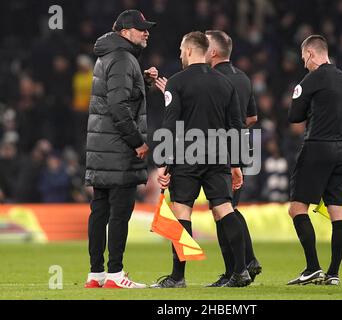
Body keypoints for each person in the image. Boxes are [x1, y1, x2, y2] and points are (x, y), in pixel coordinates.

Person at [151, 31, 251, 288]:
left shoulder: (177, 82)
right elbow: (236, 126)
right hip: (219, 156)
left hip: (187, 156)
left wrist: (165, 163)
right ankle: (241, 271)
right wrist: (236, 163)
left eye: (181, 50)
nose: (179, 54)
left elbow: (170, 126)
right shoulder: (225, 83)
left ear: (188, 51)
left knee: (182, 210)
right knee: (224, 209)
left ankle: (178, 277)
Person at [84, 9, 158, 289]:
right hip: (119, 149)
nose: (146, 32)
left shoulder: (108, 56)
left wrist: (144, 82)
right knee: (119, 213)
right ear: (125, 32)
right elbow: (118, 106)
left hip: (101, 147)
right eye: (141, 29)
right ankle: (115, 274)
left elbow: (118, 98)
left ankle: (96, 274)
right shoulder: (123, 59)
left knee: (99, 210)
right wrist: (137, 141)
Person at [287, 35, 342, 285]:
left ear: (309, 53)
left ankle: (312, 267)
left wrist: (309, 106)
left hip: (317, 146)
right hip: (341, 150)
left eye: (303, 58)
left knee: (296, 209)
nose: (303, 62)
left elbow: (294, 116)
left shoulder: (312, 79)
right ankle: (334, 274)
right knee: (338, 212)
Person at [204, 30, 262, 286]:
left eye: (203, 46)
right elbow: (251, 118)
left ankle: (235, 271)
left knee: (221, 210)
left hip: (220, 153)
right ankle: (247, 262)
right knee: (228, 209)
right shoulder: (244, 78)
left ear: (213, 52)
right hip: (241, 149)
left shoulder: (212, 78)